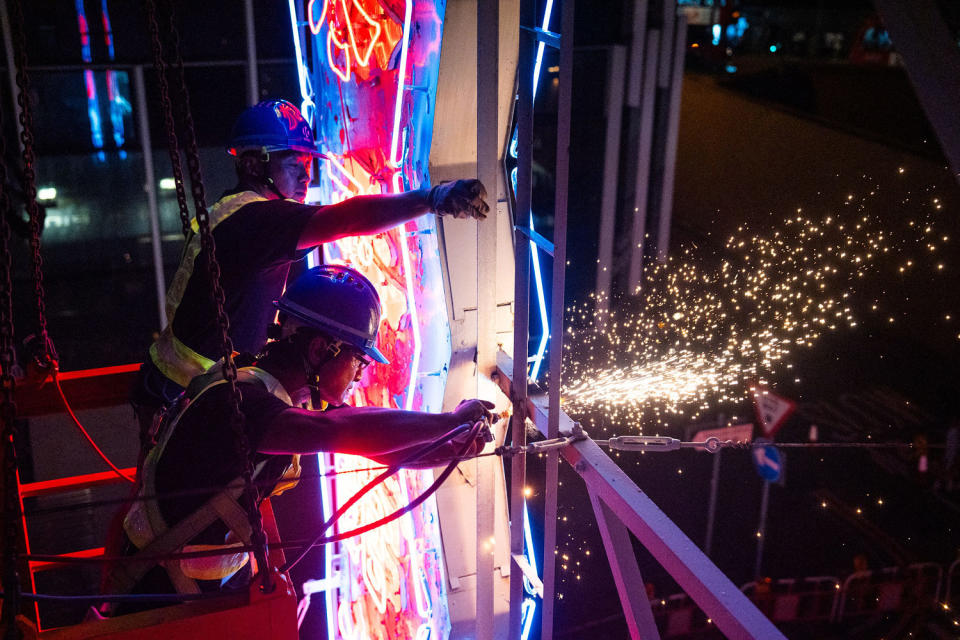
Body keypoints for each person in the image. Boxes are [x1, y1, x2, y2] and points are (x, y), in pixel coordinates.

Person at [104, 265, 492, 611]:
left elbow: (379, 448)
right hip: (159, 596)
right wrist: (447, 421)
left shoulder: (261, 384)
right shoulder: (246, 403)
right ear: (322, 349)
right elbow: (339, 432)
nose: (360, 375)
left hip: (179, 580)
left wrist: (452, 445)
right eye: (359, 360)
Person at [130, 99, 489, 435]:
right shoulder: (257, 220)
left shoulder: (233, 212)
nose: (306, 177)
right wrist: (430, 199)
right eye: (294, 165)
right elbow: (346, 219)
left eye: (307, 165)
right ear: (255, 165)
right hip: (184, 393)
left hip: (174, 384)